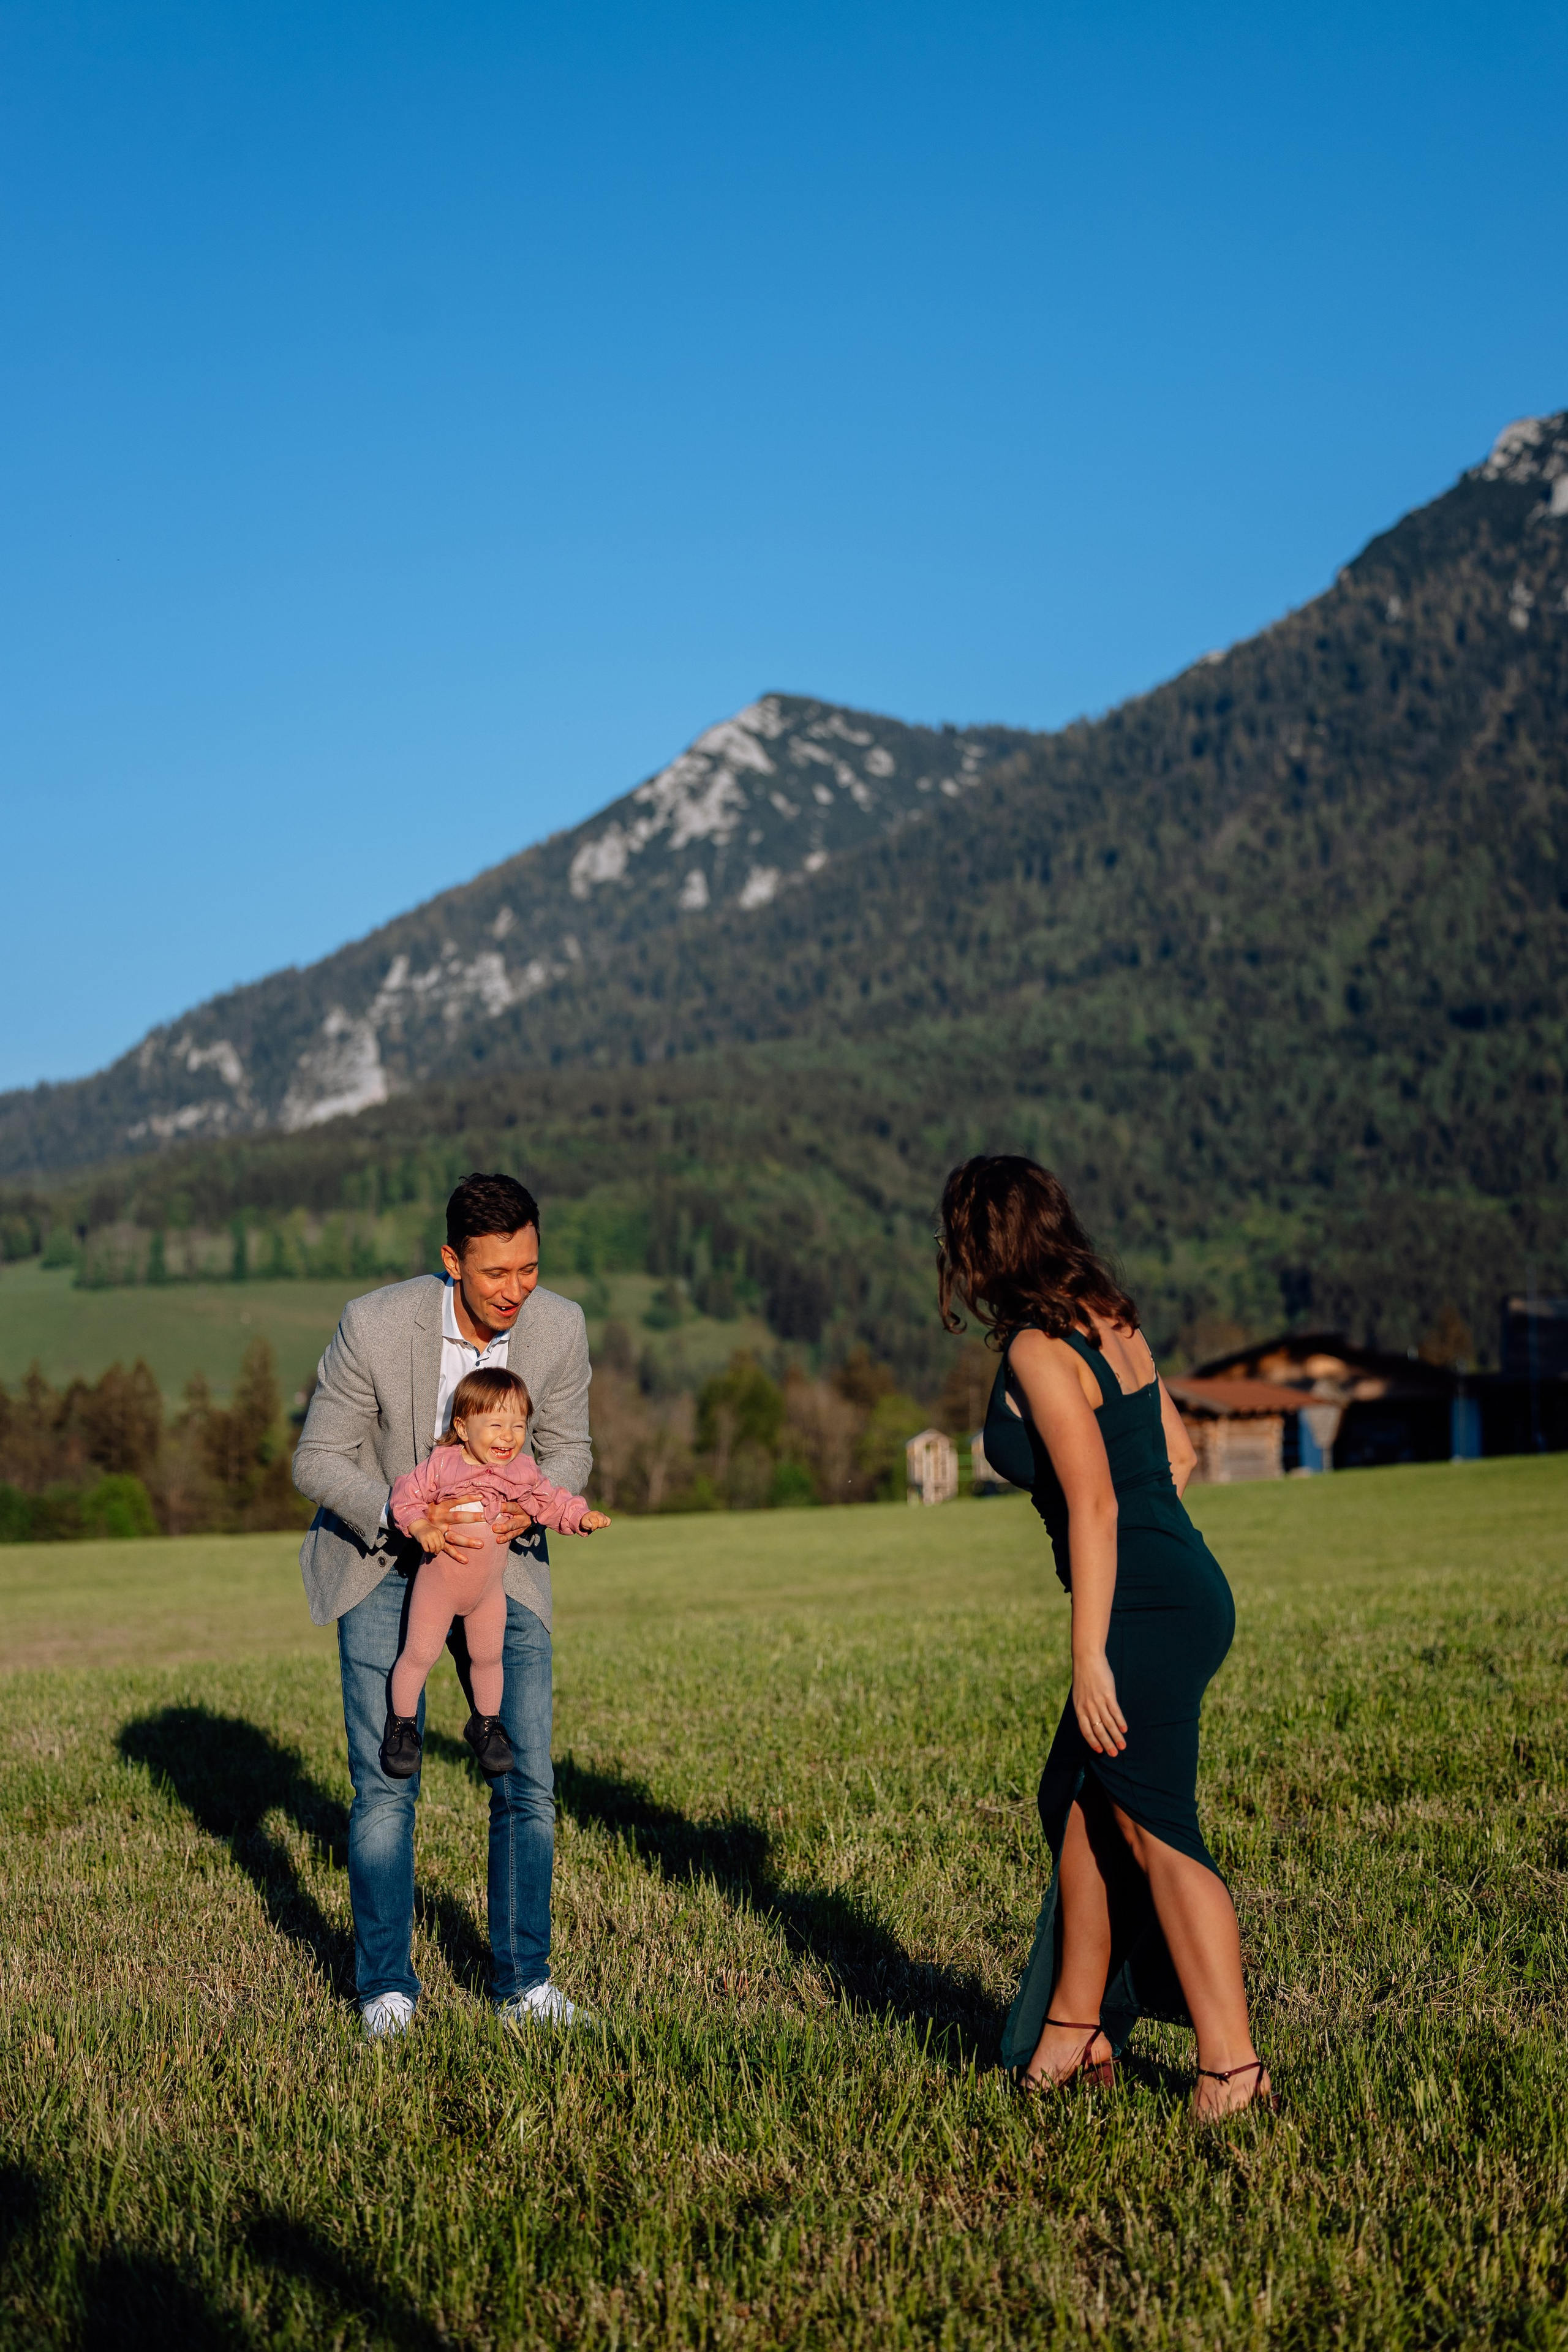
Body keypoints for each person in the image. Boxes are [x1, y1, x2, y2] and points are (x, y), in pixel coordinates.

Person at [937, 1155, 1273, 2120]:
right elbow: (1178, 1450)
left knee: (1158, 1829)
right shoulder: (1109, 1320)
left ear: (978, 1250)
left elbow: (1092, 1506)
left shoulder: (1042, 1352)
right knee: (1079, 1796)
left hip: (1140, 1609)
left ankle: (1232, 2070)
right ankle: (1073, 2030)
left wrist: (1092, 1657)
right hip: (1187, 1583)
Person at [294, 1171, 594, 2041]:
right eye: (496, 1274)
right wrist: (403, 1510)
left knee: (528, 1779)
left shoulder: (560, 1327)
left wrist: (515, 1505)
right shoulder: (375, 1324)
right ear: (451, 1261)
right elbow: (316, 1459)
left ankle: (523, 1982)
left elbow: (570, 1449)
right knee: (388, 1783)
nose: (515, 1292)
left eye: (529, 1269)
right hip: (383, 1561)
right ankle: (387, 1988)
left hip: (504, 1567)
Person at [382, 1366, 609, 1781]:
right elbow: (405, 1497)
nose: (508, 1436)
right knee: (420, 1655)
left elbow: (551, 1500)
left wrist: (580, 1516)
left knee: (488, 1658)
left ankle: (486, 1724)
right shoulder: (441, 1465)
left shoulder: (521, 1470)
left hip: (488, 1592)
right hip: (439, 1589)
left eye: (519, 1425)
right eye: (496, 1425)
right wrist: (421, 1527)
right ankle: (402, 1727)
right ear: (462, 1427)